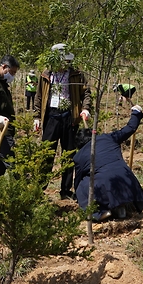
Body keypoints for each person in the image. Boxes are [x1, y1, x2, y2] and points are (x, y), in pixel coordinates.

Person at [33, 43, 92, 200]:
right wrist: (37, 117)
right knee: (46, 153)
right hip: (51, 117)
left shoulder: (76, 74)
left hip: (69, 117)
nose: (65, 64)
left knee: (69, 155)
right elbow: (38, 96)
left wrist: (85, 108)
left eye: (67, 60)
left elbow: (86, 92)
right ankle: (40, 188)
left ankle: (65, 191)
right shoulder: (46, 74)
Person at [72, 105, 143, 221]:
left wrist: (78, 195)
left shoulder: (79, 156)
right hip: (127, 180)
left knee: (81, 185)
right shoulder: (109, 138)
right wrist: (136, 113)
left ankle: (98, 213)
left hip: (105, 186)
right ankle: (131, 205)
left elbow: (78, 178)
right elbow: (130, 128)